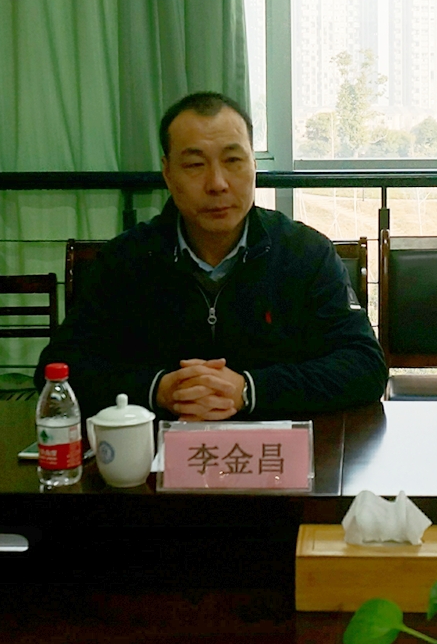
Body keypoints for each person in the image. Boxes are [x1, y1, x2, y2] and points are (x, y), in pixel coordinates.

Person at [36, 92, 387, 421]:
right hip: (157, 456)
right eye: (194, 164)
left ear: (253, 164)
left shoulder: (304, 253)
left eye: (233, 160)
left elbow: (365, 366)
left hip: (280, 453)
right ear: (168, 173)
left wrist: (249, 390)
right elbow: (58, 370)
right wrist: (159, 389)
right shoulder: (125, 260)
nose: (217, 183)